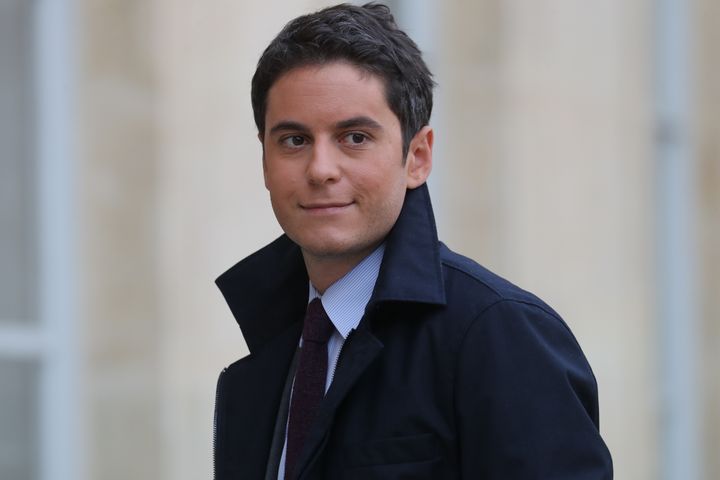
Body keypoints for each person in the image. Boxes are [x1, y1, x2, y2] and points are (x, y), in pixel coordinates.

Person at [213, 3, 613, 479]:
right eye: (294, 140)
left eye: (354, 137)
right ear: (265, 161)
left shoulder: (497, 335)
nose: (321, 169)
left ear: (417, 157)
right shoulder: (264, 360)